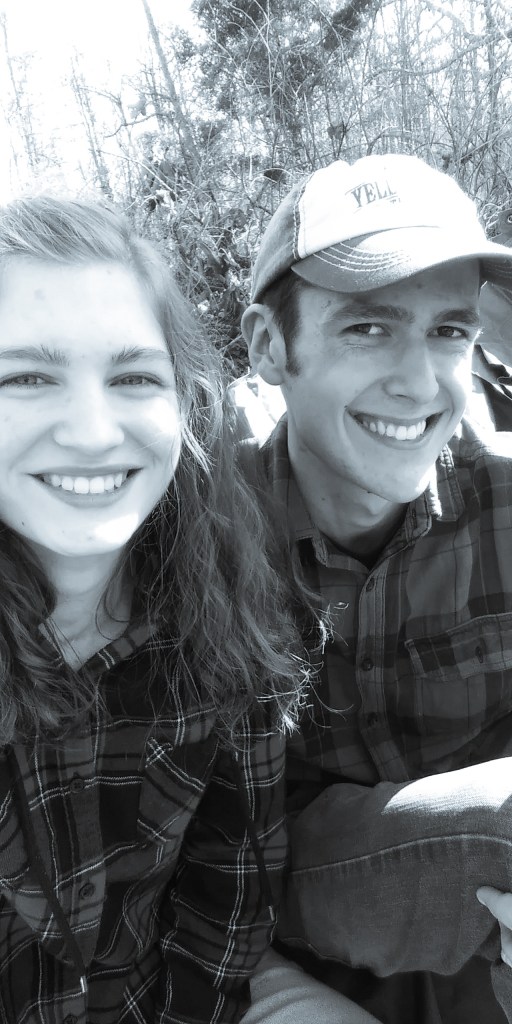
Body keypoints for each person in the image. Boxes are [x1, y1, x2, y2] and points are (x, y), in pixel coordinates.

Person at [0, 195, 315, 1024]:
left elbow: (227, 904)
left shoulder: (223, 633)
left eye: (134, 377)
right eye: (26, 377)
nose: (93, 431)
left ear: (185, 403)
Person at [238, 153, 512, 1024]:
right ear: (270, 346)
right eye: (367, 328)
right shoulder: (198, 539)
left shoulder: (505, 504)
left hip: (475, 928)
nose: (420, 383)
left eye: (450, 332)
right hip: (275, 905)